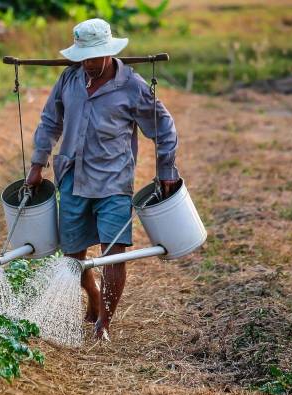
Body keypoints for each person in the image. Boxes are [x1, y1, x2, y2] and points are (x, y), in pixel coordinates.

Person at [25, 18, 180, 340]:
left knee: (114, 253)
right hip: (72, 177)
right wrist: (37, 164)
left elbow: (163, 128)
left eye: (94, 57)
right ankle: (93, 296)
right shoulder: (69, 79)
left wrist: (166, 170)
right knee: (73, 256)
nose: (88, 64)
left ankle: (103, 324)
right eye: (83, 57)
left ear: (109, 53)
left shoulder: (132, 86)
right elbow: (50, 121)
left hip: (114, 181)